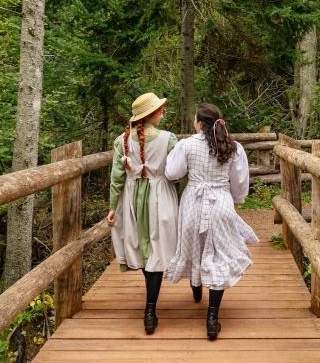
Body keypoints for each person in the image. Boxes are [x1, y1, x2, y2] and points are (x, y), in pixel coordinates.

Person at [164, 103, 259, 339]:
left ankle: (196, 289)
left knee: (193, 246)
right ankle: (212, 318)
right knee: (218, 255)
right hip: (221, 202)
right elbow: (239, 181)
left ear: (198, 122)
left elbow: (172, 173)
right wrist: (235, 202)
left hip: (192, 202)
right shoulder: (232, 147)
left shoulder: (186, 144)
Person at [106, 92, 178, 334]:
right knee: (156, 249)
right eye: (160, 111)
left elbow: (117, 178)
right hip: (160, 199)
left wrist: (112, 207)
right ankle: (150, 311)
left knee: (145, 248)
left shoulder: (122, 141)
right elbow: (178, 171)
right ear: (151, 115)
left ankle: (150, 308)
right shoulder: (168, 139)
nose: (163, 114)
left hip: (132, 199)